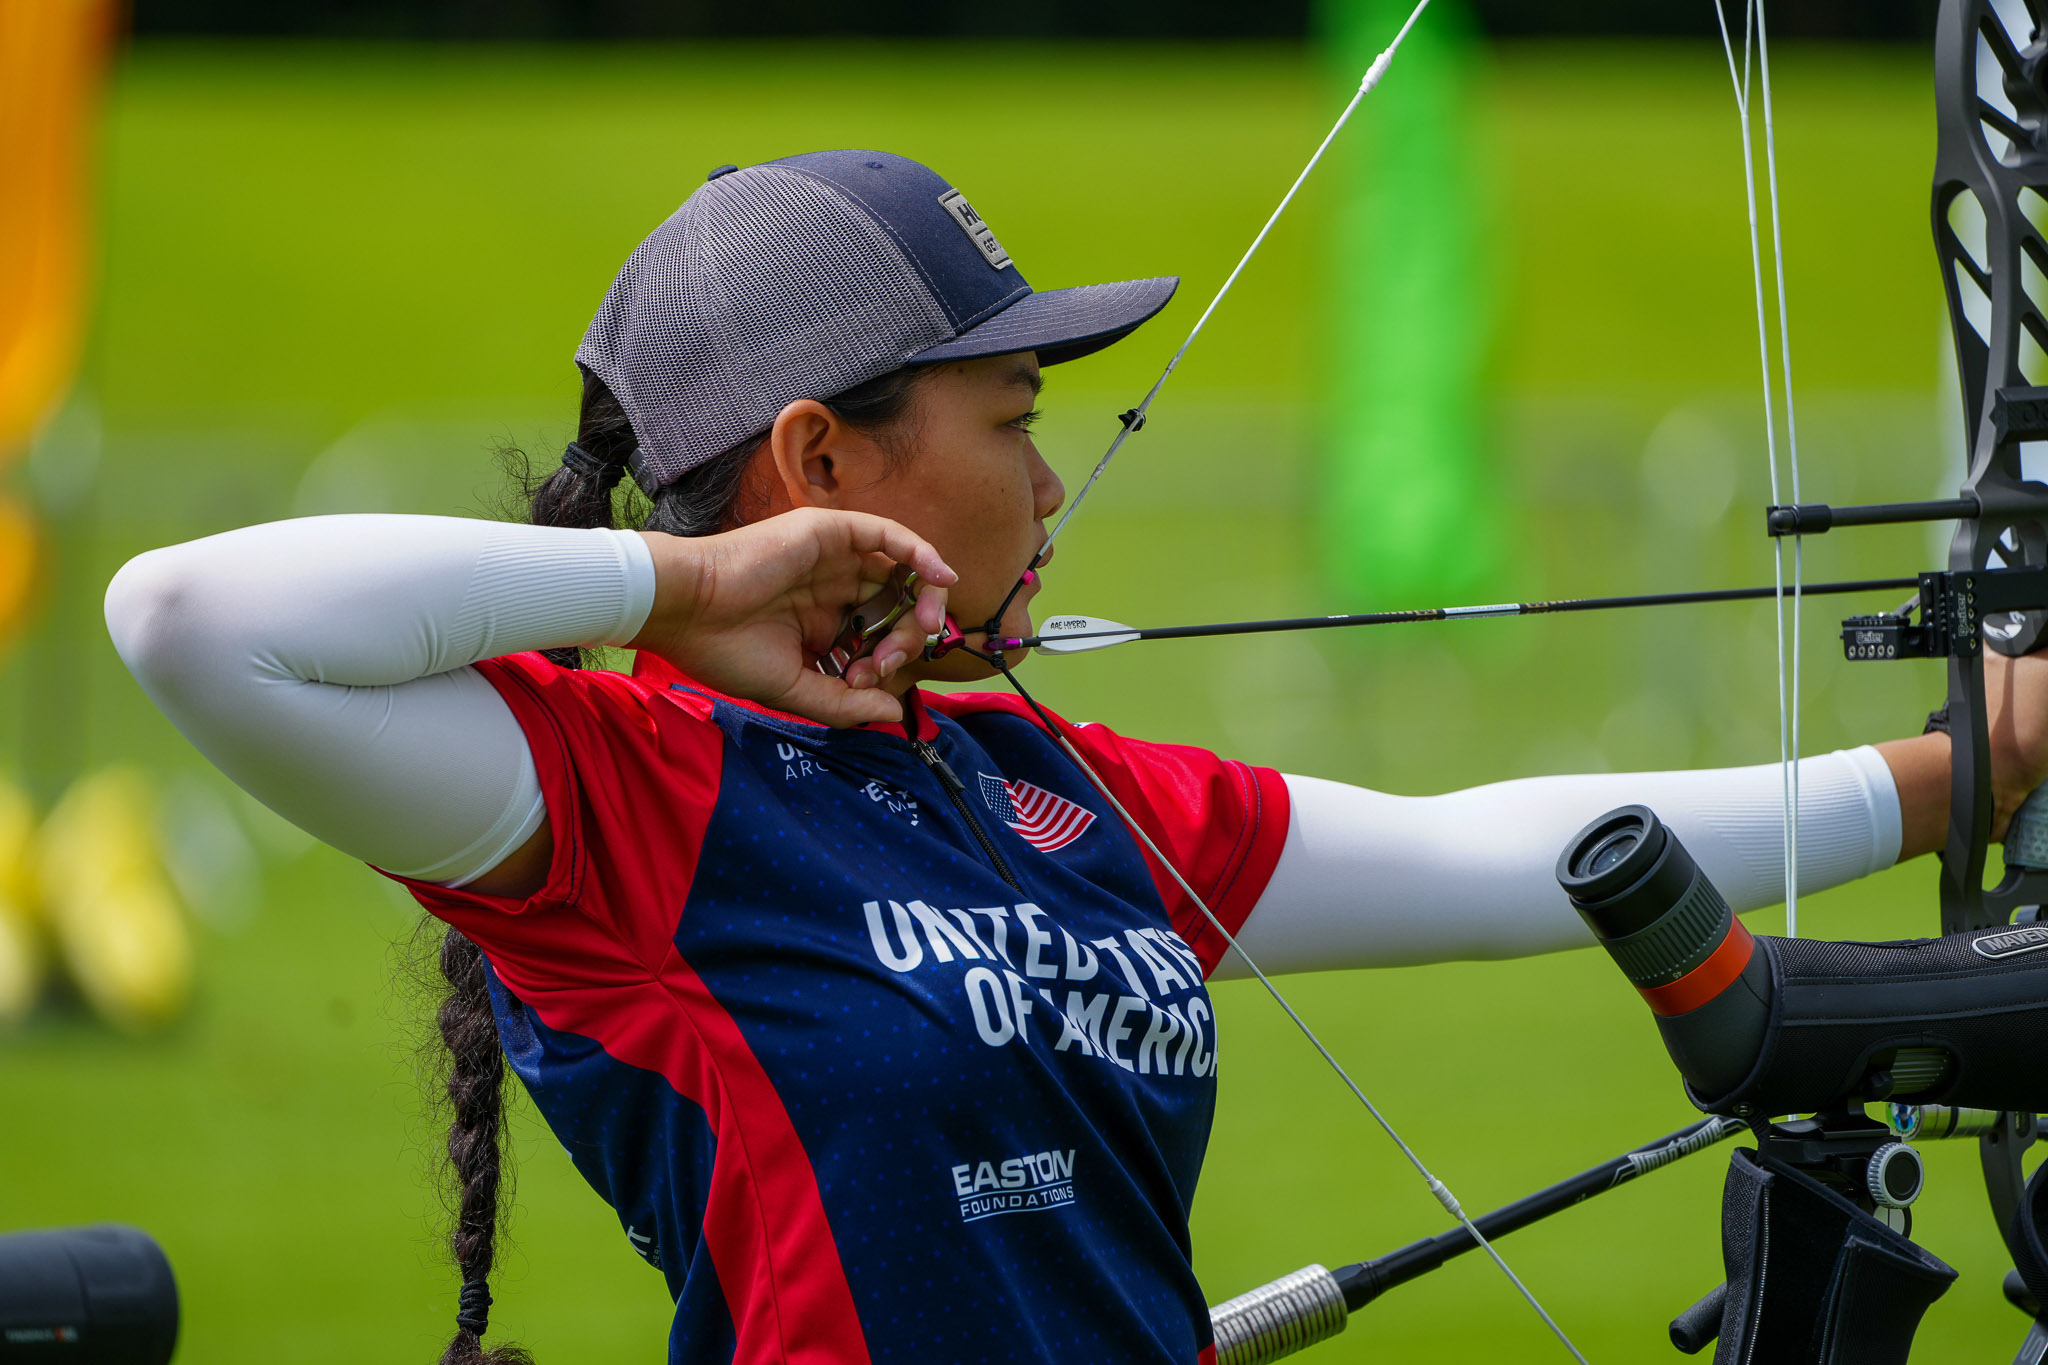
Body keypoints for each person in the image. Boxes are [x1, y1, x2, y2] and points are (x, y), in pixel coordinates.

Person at [105, 150, 2048, 1365]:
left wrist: (1961, 766)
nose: (1049, 486)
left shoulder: (1053, 790)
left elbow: (1502, 850)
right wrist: (685, 584)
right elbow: (189, 616)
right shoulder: (619, 800)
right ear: (820, 460)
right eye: (1015, 416)